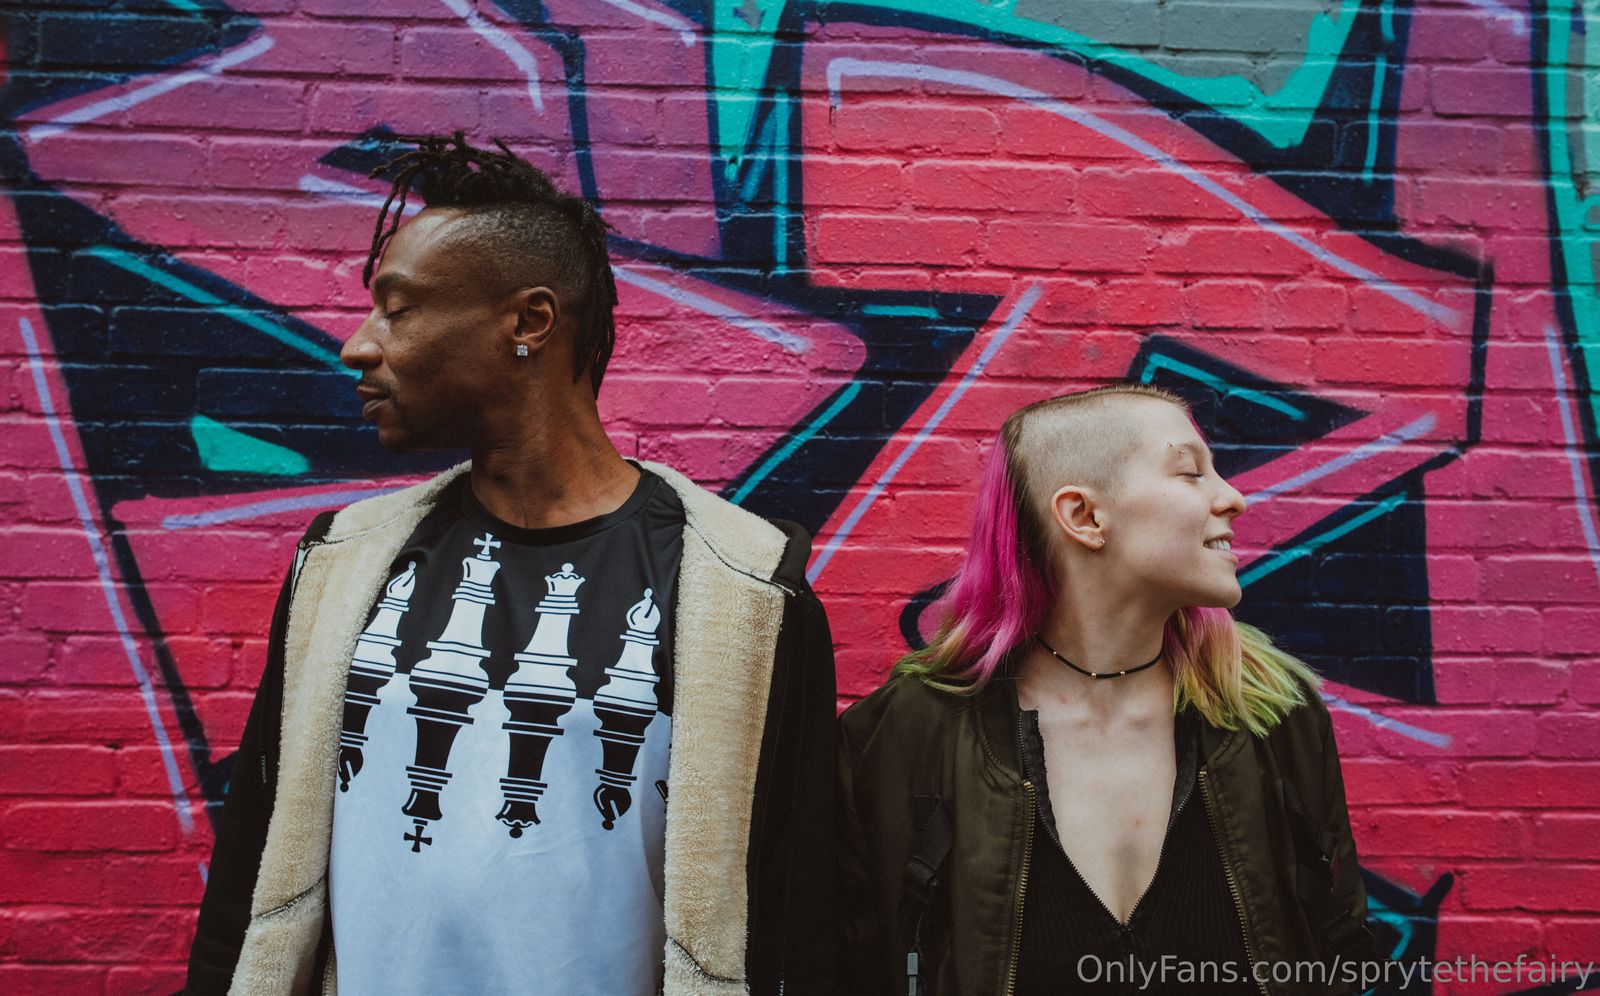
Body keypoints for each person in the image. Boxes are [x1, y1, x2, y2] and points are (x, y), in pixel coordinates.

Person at [184, 133, 836, 995]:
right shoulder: (340, 563)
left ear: (528, 323)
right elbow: (252, 870)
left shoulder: (742, 588)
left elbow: (806, 917)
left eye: (398, 309)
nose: (357, 346)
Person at [837, 384, 1378, 996]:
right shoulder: (905, 735)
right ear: (1085, 517)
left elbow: (1338, 954)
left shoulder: (1273, 717)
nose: (1234, 498)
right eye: (1191, 472)